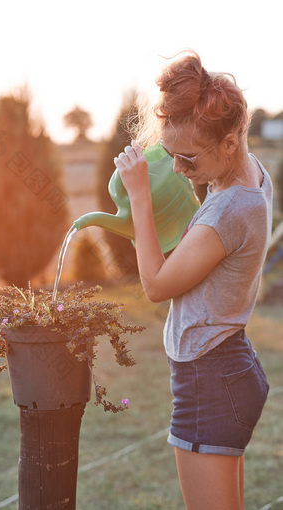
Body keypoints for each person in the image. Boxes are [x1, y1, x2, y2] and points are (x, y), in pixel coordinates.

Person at [113, 49, 272, 510]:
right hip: (228, 367)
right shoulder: (249, 178)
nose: (179, 170)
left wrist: (140, 196)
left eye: (187, 159)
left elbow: (157, 286)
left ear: (228, 143)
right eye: (171, 156)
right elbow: (203, 244)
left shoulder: (230, 209)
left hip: (209, 378)